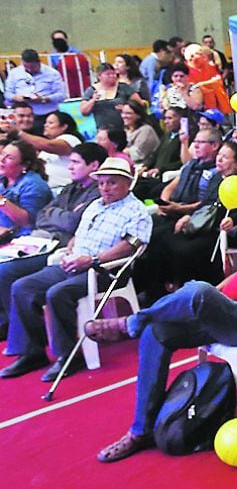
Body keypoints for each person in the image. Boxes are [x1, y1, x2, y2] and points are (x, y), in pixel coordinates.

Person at [86, 192, 237, 462]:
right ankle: (141, 430)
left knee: (197, 290)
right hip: (225, 311)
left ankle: (133, 321)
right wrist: (219, 293)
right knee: (156, 332)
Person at [0, 157, 152, 381]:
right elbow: (77, 236)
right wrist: (70, 253)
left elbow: (129, 246)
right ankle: (32, 353)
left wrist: (91, 260)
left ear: (127, 183)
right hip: (76, 262)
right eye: (101, 183)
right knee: (23, 287)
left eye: (112, 183)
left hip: (106, 270)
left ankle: (69, 356)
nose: (105, 188)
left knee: (57, 293)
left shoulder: (136, 210)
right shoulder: (94, 205)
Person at [0, 143, 105, 342]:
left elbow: (73, 222)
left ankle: (15, 330)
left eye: (75, 162)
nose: (70, 167)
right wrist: (60, 215)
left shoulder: (97, 192)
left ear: (93, 165)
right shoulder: (70, 188)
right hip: (39, 240)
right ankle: (15, 330)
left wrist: (55, 214)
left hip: (60, 247)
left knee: (5, 271)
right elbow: (41, 216)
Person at [135, 142, 237, 297]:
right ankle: (158, 287)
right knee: (161, 237)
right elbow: (205, 204)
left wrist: (233, 220)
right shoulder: (217, 177)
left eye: (225, 157)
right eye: (219, 155)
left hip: (224, 231)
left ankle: (188, 290)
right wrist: (188, 215)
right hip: (203, 225)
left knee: (182, 249)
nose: (219, 159)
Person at [14, 111, 83, 193]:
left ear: (64, 126)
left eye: (50, 123)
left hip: (63, 190)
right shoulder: (45, 148)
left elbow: (49, 146)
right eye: (46, 122)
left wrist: (18, 133)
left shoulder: (70, 139)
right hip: (43, 189)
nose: (45, 125)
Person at [0, 140, 54, 238]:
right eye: (2, 154)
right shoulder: (3, 178)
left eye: (9, 158)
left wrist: (1, 200)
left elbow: (27, 221)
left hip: (21, 239)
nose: (2, 160)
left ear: (24, 165)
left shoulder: (34, 185)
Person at [4, 50, 67, 128]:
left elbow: (62, 95)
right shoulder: (14, 73)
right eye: (26, 67)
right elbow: (7, 93)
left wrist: (44, 99)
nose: (30, 70)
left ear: (39, 62)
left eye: (33, 67)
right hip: (22, 116)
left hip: (46, 114)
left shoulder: (52, 73)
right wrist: (16, 98)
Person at [81, 63, 138, 129]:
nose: (112, 76)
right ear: (99, 76)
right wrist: (93, 100)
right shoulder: (91, 90)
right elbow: (84, 112)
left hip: (125, 128)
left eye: (113, 73)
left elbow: (139, 105)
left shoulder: (124, 87)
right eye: (108, 74)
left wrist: (126, 108)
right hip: (103, 130)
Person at [184, 43, 231, 114]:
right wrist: (205, 85)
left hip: (215, 106)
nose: (203, 56)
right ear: (191, 56)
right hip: (196, 108)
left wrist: (201, 84)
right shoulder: (184, 69)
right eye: (199, 54)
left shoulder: (209, 66)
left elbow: (218, 81)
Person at [120, 101, 160, 170]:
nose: (124, 116)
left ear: (138, 115)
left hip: (142, 168)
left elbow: (137, 154)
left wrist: (123, 152)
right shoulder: (124, 130)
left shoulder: (146, 130)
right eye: (123, 113)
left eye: (128, 113)